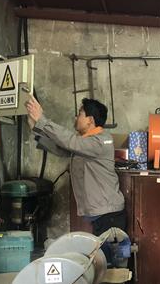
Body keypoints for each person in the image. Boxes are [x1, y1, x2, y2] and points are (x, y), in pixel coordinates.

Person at [25, 96, 126, 236]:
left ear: (90, 120)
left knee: (108, 250)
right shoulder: (84, 143)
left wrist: (42, 120)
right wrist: (37, 130)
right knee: (100, 250)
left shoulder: (101, 141)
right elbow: (61, 148)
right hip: (102, 215)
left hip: (109, 215)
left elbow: (70, 142)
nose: (76, 117)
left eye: (80, 114)